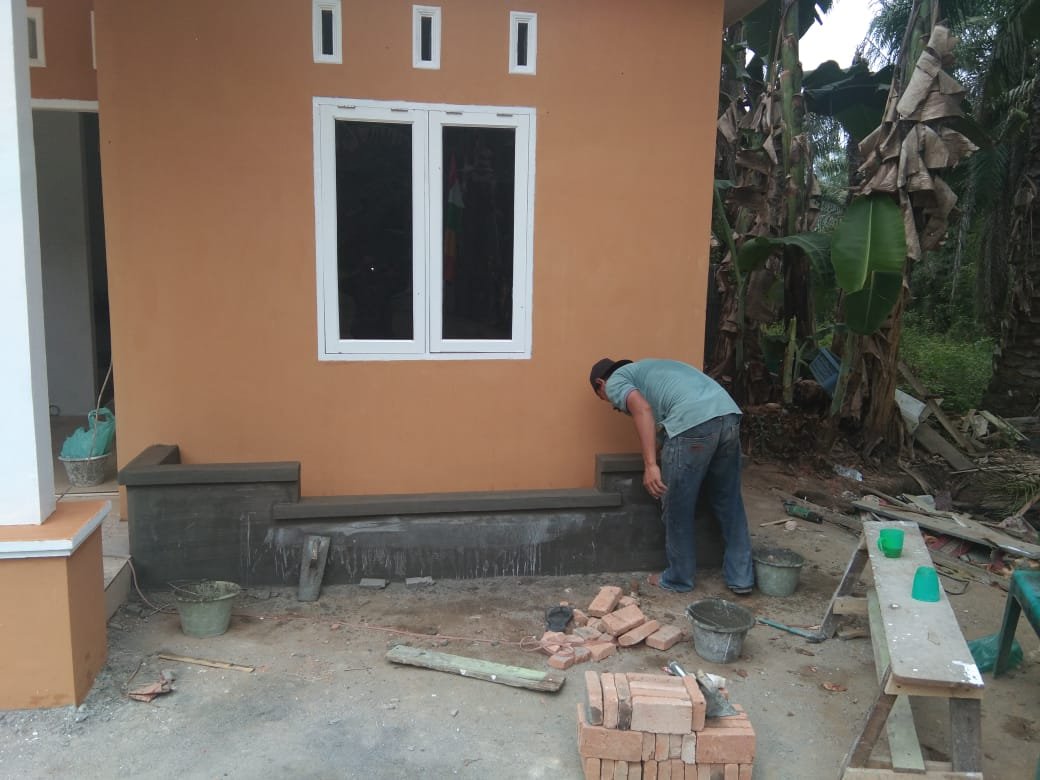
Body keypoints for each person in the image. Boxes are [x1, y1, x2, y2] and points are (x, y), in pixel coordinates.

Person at [589, 357, 754, 594]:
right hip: (728, 415)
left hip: (693, 425)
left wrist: (650, 465)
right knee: (729, 501)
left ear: (600, 383)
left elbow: (642, 410)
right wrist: (657, 449)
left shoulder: (615, 380)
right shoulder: (650, 371)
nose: (614, 404)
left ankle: (678, 578)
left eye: (605, 398)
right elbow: (663, 426)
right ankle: (741, 578)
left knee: (677, 504)